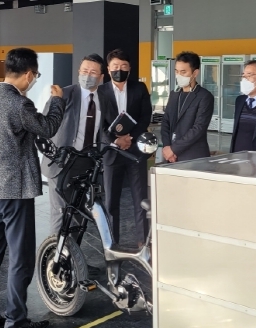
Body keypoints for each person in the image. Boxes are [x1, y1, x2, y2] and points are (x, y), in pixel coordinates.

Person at [0, 48, 65, 328]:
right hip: (15, 191)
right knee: (20, 257)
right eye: (35, 76)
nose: (33, 80)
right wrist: (57, 101)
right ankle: (16, 320)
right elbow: (47, 127)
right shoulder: (19, 105)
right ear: (28, 74)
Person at [41, 53, 109, 236]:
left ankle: (73, 253)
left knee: (79, 213)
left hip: (86, 163)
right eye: (84, 70)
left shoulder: (104, 98)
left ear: (101, 77)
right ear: (78, 72)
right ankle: (56, 252)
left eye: (93, 72)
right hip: (62, 161)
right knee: (60, 212)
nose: (88, 75)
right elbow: (45, 125)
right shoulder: (64, 94)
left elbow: (103, 129)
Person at [100, 48, 153, 246]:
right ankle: (112, 242)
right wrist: (115, 140)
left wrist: (130, 137)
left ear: (129, 68)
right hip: (112, 153)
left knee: (140, 199)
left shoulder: (139, 88)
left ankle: (142, 242)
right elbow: (99, 123)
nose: (119, 70)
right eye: (115, 66)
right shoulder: (101, 92)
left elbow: (145, 116)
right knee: (111, 202)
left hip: (135, 151)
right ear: (108, 68)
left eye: (123, 66)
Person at [160, 51, 214, 162]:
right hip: (170, 155)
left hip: (193, 156)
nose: (179, 75)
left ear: (195, 73)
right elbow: (166, 121)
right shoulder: (174, 94)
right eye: (176, 71)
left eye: (183, 72)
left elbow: (198, 128)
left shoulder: (204, 96)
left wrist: (174, 149)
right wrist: (167, 147)